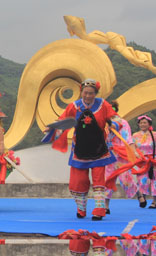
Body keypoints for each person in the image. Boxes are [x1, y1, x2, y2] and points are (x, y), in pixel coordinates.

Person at [55, 79, 121, 220]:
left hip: (98, 149)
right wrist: (54, 128)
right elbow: (62, 120)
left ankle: (99, 210)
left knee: (99, 182)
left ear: (95, 94)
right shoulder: (74, 106)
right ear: (81, 92)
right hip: (80, 149)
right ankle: (81, 209)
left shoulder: (103, 105)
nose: (88, 96)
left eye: (91, 93)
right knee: (78, 182)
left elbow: (116, 119)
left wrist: (114, 124)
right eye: (85, 93)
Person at [104, 101, 138, 213]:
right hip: (109, 154)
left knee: (126, 177)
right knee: (108, 178)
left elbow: (128, 138)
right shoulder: (103, 123)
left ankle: (138, 193)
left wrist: (133, 152)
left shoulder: (123, 123)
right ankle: (106, 206)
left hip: (121, 154)